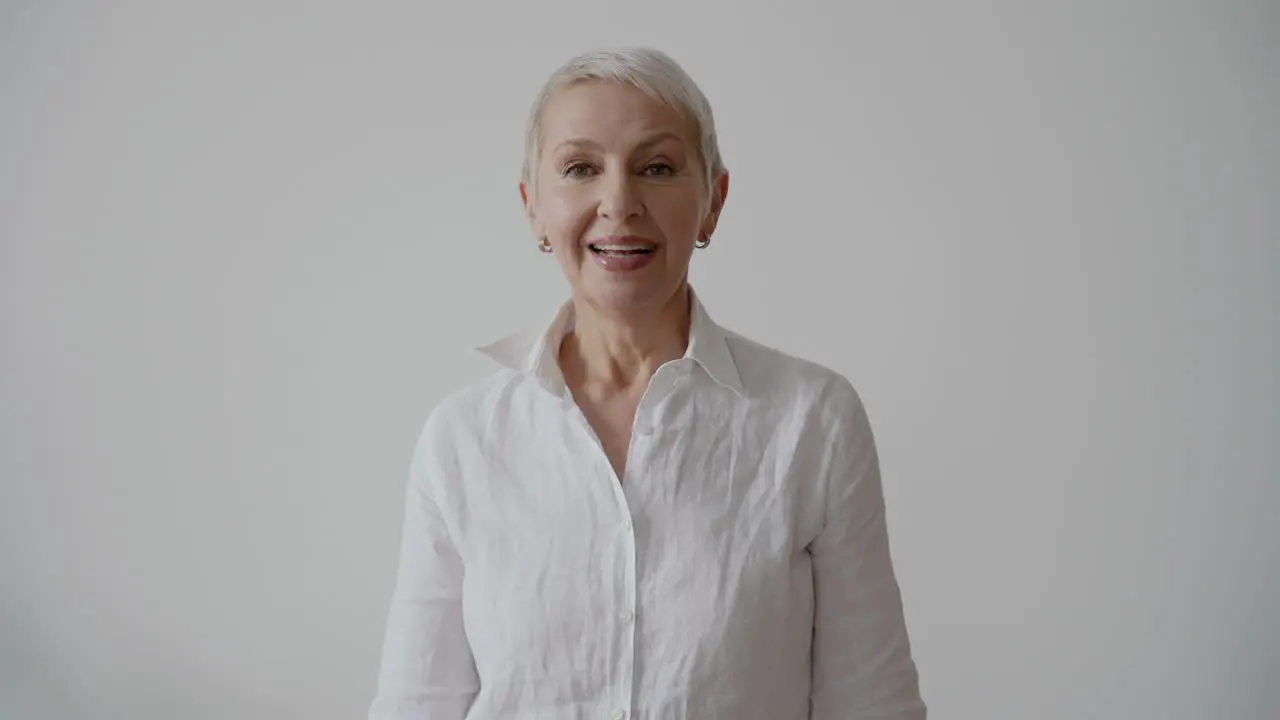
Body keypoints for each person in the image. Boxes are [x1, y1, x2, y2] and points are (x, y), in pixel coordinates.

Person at [369, 46, 926, 720]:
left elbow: (872, 704)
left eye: (656, 168)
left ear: (713, 202)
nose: (619, 202)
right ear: (534, 208)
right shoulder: (461, 441)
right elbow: (416, 706)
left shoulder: (812, 421)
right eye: (580, 169)